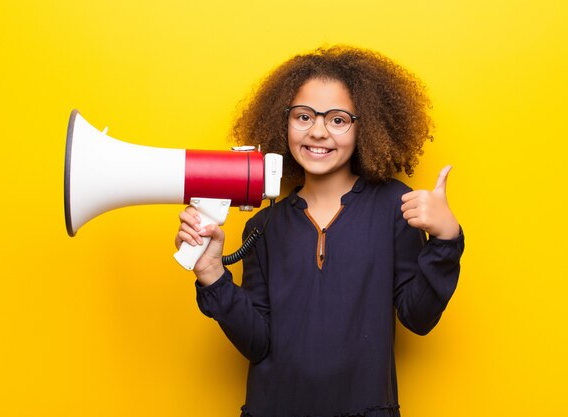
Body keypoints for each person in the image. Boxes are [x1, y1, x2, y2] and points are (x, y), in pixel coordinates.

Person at [175, 45, 464, 417]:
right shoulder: (263, 227)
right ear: (284, 122)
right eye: (304, 116)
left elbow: (418, 318)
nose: (318, 131)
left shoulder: (396, 207)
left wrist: (445, 239)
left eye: (338, 119)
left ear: (366, 125)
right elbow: (258, 343)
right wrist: (212, 273)